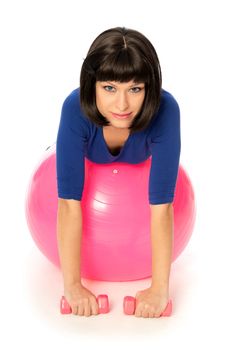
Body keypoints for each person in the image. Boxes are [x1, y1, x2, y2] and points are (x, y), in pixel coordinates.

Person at [56, 27, 181, 318]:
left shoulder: (166, 110)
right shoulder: (75, 108)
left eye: (135, 89)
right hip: (82, 164)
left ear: (149, 88)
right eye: (109, 88)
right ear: (92, 85)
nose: (122, 105)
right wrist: (72, 285)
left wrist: (159, 289)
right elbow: (68, 203)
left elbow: (162, 208)